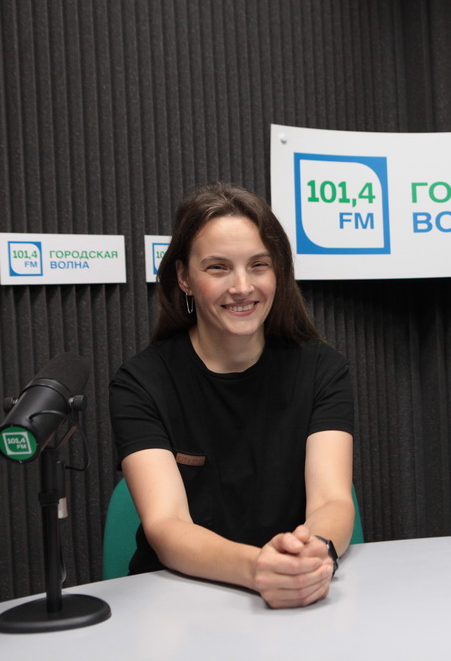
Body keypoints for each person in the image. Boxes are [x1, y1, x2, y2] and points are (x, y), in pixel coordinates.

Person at [110, 183, 354, 608]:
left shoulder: (323, 371)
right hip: (178, 602)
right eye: (218, 268)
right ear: (184, 277)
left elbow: (332, 500)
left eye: (258, 265)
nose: (242, 287)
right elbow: (167, 525)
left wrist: (312, 554)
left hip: (296, 593)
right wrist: (258, 567)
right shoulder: (141, 382)